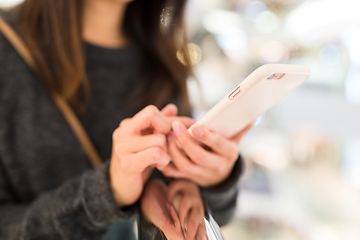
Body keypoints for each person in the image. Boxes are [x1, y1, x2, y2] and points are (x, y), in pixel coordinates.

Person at [0, 0, 250, 239]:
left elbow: (220, 215)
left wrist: (213, 180)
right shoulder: (7, 49)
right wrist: (106, 193)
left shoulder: (163, 62)